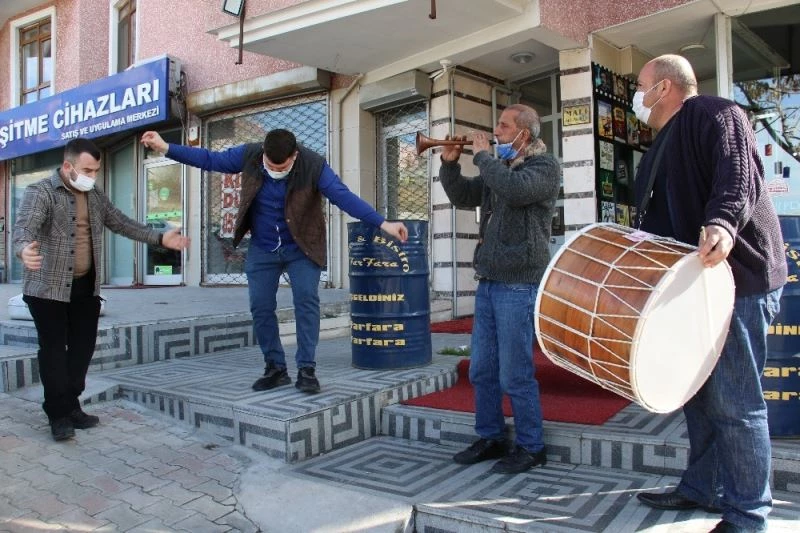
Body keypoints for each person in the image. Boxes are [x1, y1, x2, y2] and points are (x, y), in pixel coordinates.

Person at [631, 54, 785, 533]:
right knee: (697, 396)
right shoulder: (662, 143)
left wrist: (721, 222)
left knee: (736, 404)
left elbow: (737, 174)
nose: (636, 95)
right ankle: (703, 487)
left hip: (737, 282)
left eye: (640, 85)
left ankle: (747, 515)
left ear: (665, 88)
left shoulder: (714, 112)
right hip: (697, 289)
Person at [140, 129, 408, 394]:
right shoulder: (250, 154)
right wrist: (166, 148)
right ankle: (275, 368)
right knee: (260, 306)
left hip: (302, 247)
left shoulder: (313, 165)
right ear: (264, 154)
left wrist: (382, 223)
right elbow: (210, 159)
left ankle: (306, 369)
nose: (274, 170)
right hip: (263, 247)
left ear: (294, 156)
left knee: (306, 302)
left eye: (281, 167)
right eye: (269, 165)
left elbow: (343, 196)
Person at [13, 138, 191, 442]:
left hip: (85, 285)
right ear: (68, 166)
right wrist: (22, 250)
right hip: (47, 288)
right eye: (87, 170)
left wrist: (159, 238)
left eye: (96, 170)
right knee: (54, 352)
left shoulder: (94, 194)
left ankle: (71, 404)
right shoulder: (40, 191)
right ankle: (58, 414)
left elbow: (121, 223)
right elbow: (24, 228)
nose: (92, 176)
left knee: (81, 350)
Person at [438, 104, 561, 474]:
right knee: (482, 369)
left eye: (503, 127)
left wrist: (482, 157)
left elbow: (516, 190)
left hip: (519, 285)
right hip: (490, 283)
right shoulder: (500, 169)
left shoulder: (544, 167)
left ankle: (531, 446)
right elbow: (464, 196)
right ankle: (491, 437)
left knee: (515, 373)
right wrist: (449, 164)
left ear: (524, 133)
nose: (495, 132)